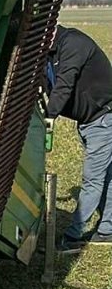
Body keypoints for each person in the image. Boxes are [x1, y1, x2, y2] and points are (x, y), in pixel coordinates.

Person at [45, 25, 112, 252]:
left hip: (104, 118)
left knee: (93, 178)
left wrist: (50, 115)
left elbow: (64, 83)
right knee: (106, 177)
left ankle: (73, 237)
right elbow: (45, 84)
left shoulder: (74, 43)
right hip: (90, 121)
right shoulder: (50, 52)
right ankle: (107, 231)